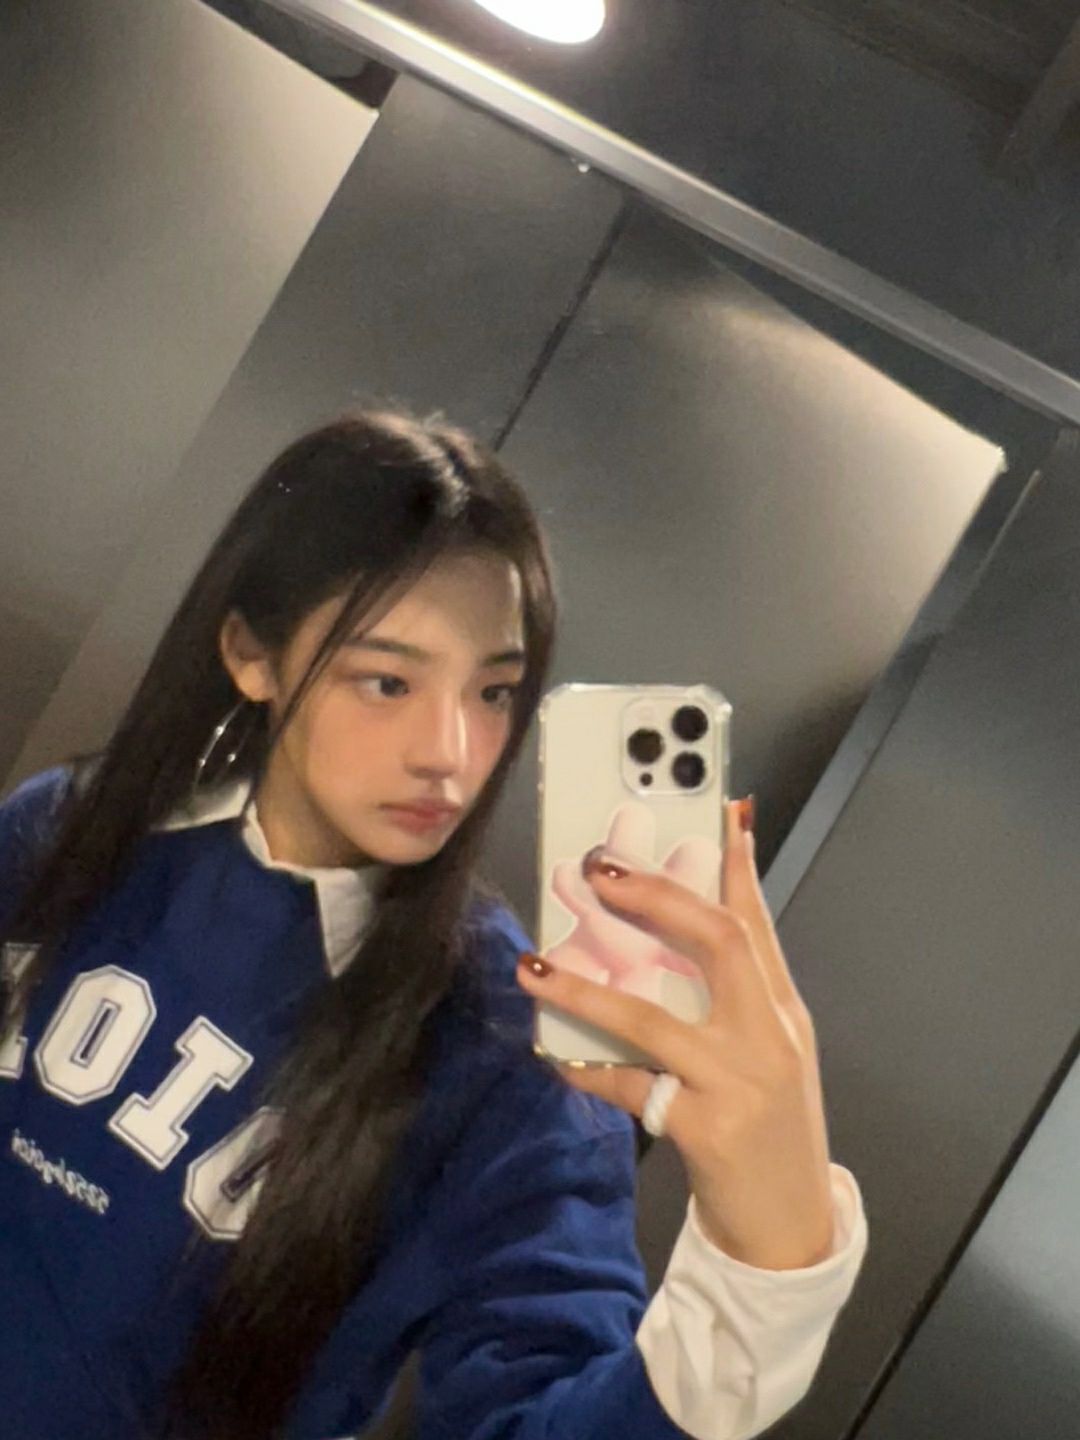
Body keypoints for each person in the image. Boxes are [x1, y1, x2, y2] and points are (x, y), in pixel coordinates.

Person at [0, 409, 867, 1440]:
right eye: (388, 681)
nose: (450, 753)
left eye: (494, 691)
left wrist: (764, 1272)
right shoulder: (72, 824)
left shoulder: (502, 1047)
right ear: (251, 653)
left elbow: (538, 1408)